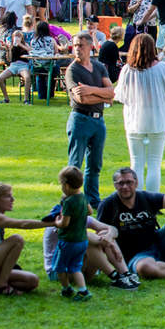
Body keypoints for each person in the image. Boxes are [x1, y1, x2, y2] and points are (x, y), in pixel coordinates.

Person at [115, 34, 165, 193]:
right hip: (157, 118)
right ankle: (152, 201)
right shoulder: (163, 68)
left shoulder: (127, 70)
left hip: (135, 119)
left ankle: (137, 200)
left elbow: (121, 95)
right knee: (154, 163)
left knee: (136, 162)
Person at [64, 30, 114, 208]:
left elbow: (111, 93)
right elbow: (80, 99)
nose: (77, 49)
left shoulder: (99, 66)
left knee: (95, 164)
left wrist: (91, 90)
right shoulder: (72, 70)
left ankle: (93, 199)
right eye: (75, 46)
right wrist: (103, 95)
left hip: (98, 120)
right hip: (80, 118)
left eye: (81, 46)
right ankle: (72, 199)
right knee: (75, 163)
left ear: (90, 47)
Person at [51, 165, 93, 301]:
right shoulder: (82, 197)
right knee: (75, 267)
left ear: (66, 186)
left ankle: (66, 288)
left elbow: (64, 223)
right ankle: (83, 291)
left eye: (61, 184)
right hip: (82, 240)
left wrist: (56, 222)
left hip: (68, 241)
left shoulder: (69, 202)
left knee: (59, 267)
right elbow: (90, 212)